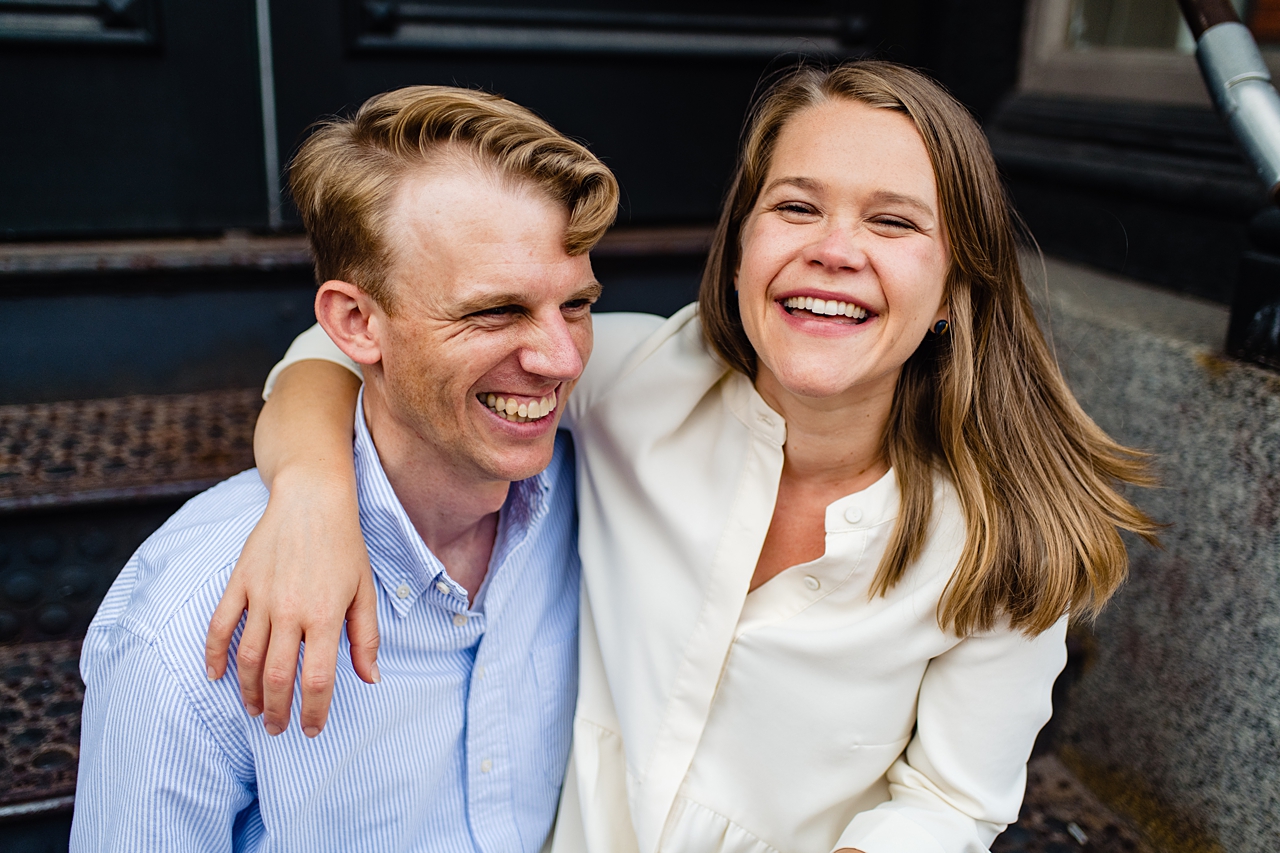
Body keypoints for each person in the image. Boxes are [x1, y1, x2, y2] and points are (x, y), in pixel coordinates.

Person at [206, 62, 1157, 853]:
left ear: (955, 287)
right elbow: (342, 347)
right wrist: (313, 495)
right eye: (796, 206)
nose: (834, 249)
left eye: (894, 221)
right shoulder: (634, 379)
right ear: (741, 243)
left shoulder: (1008, 537)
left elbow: (951, 802)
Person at [71, 85, 619, 852]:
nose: (562, 361)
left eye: (578, 306)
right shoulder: (186, 629)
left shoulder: (606, 494)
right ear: (356, 323)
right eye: (495, 311)